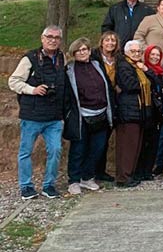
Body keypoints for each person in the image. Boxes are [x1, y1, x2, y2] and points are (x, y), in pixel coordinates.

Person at [8, 26, 68, 199]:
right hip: (32, 115)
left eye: (56, 37)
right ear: (42, 38)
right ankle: (26, 186)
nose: (53, 40)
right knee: (26, 151)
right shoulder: (30, 58)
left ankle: (49, 185)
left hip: (54, 117)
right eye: (49, 37)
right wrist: (32, 89)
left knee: (55, 150)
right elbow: (13, 81)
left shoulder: (61, 58)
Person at [64, 37, 114, 195]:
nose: (82, 52)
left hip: (101, 113)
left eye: (85, 49)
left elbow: (106, 85)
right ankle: (74, 180)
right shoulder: (69, 69)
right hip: (81, 115)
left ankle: (87, 176)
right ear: (74, 53)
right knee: (78, 148)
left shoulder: (97, 65)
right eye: (79, 50)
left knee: (97, 148)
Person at [115, 40, 153, 188]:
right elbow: (130, 85)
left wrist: (145, 72)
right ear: (126, 52)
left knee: (135, 144)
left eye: (139, 51)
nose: (137, 54)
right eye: (133, 51)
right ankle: (123, 177)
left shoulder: (138, 66)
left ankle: (130, 174)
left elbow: (154, 81)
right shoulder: (125, 65)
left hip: (139, 110)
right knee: (127, 145)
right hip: (128, 110)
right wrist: (144, 78)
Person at [91, 30, 120, 182]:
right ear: (101, 42)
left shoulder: (118, 58)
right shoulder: (94, 57)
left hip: (113, 101)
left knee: (105, 137)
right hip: (98, 100)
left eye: (113, 40)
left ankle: (100, 170)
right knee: (95, 138)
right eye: (107, 40)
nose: (110, 43)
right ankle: (90, 170)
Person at [136, 44, 163, 181]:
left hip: (158, 111)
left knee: (154, 142)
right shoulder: (142, 69)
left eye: (157, 55)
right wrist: (148, 70)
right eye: (152, 54)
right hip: (147, 109)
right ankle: (140, 170)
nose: (155, 57)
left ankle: (148, 170)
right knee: (144, 142)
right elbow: (153, 82)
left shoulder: (161, 71)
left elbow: (160, 84)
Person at [133, 0, 163, 64]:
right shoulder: (149, 19)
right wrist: (147, 49)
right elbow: (138, 36)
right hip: (149, 55)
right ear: (158, 7)